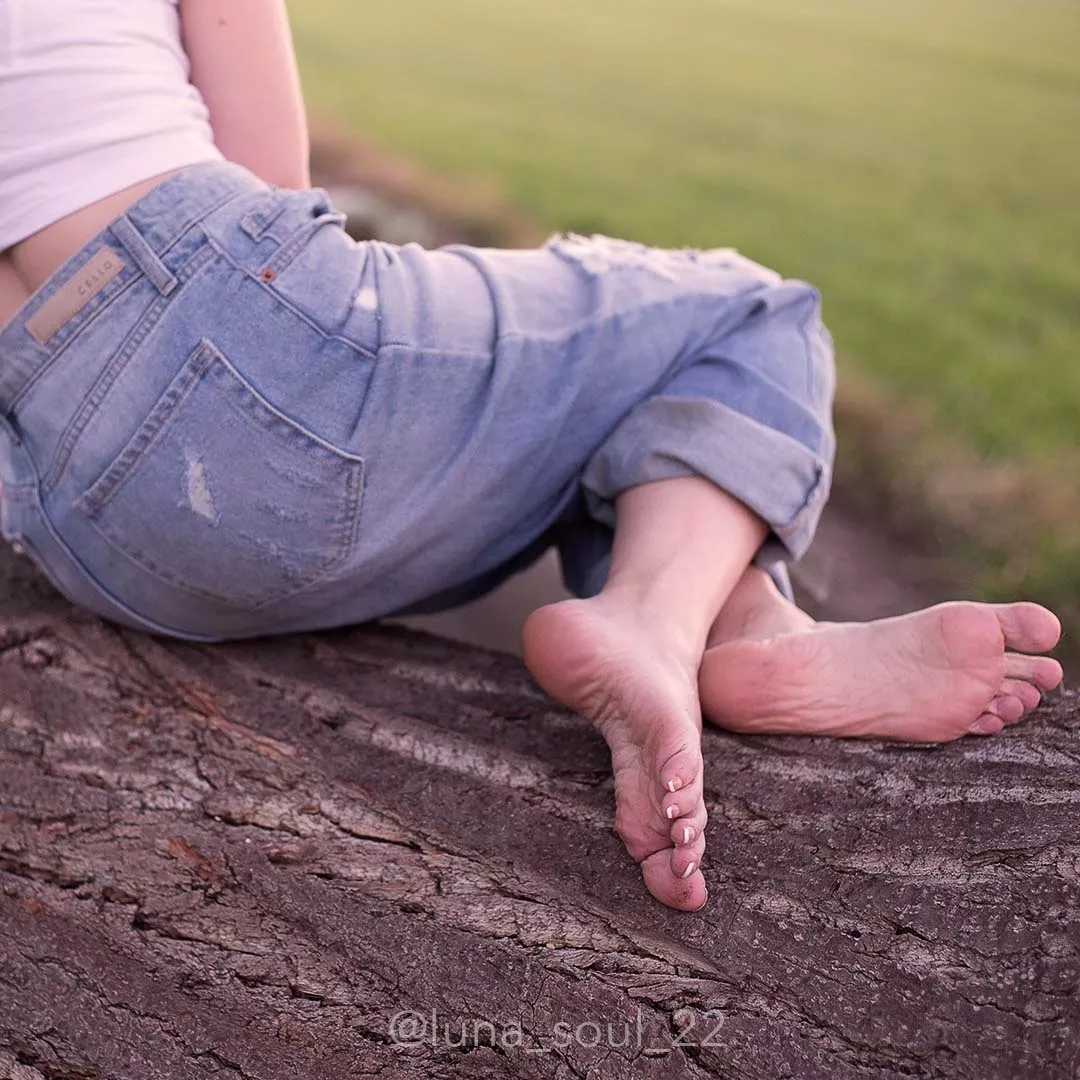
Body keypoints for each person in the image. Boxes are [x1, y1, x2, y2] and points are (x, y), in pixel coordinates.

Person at [0, 0, 1062, 913]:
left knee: (567, 414)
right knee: (742, 313)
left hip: (97, 530)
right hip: (220, 324)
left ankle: (742, 632)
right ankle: (657, 619)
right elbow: (271, 189)